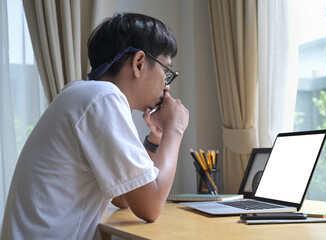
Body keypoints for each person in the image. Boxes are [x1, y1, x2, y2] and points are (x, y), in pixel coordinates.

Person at [1, 12, 189, 239]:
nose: (166, 86)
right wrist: (175, 129)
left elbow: (122, 196)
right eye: (165, 71)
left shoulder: (84, 94)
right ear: (139, 63)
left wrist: (154, 141)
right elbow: (150, 207)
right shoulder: (104, 98)